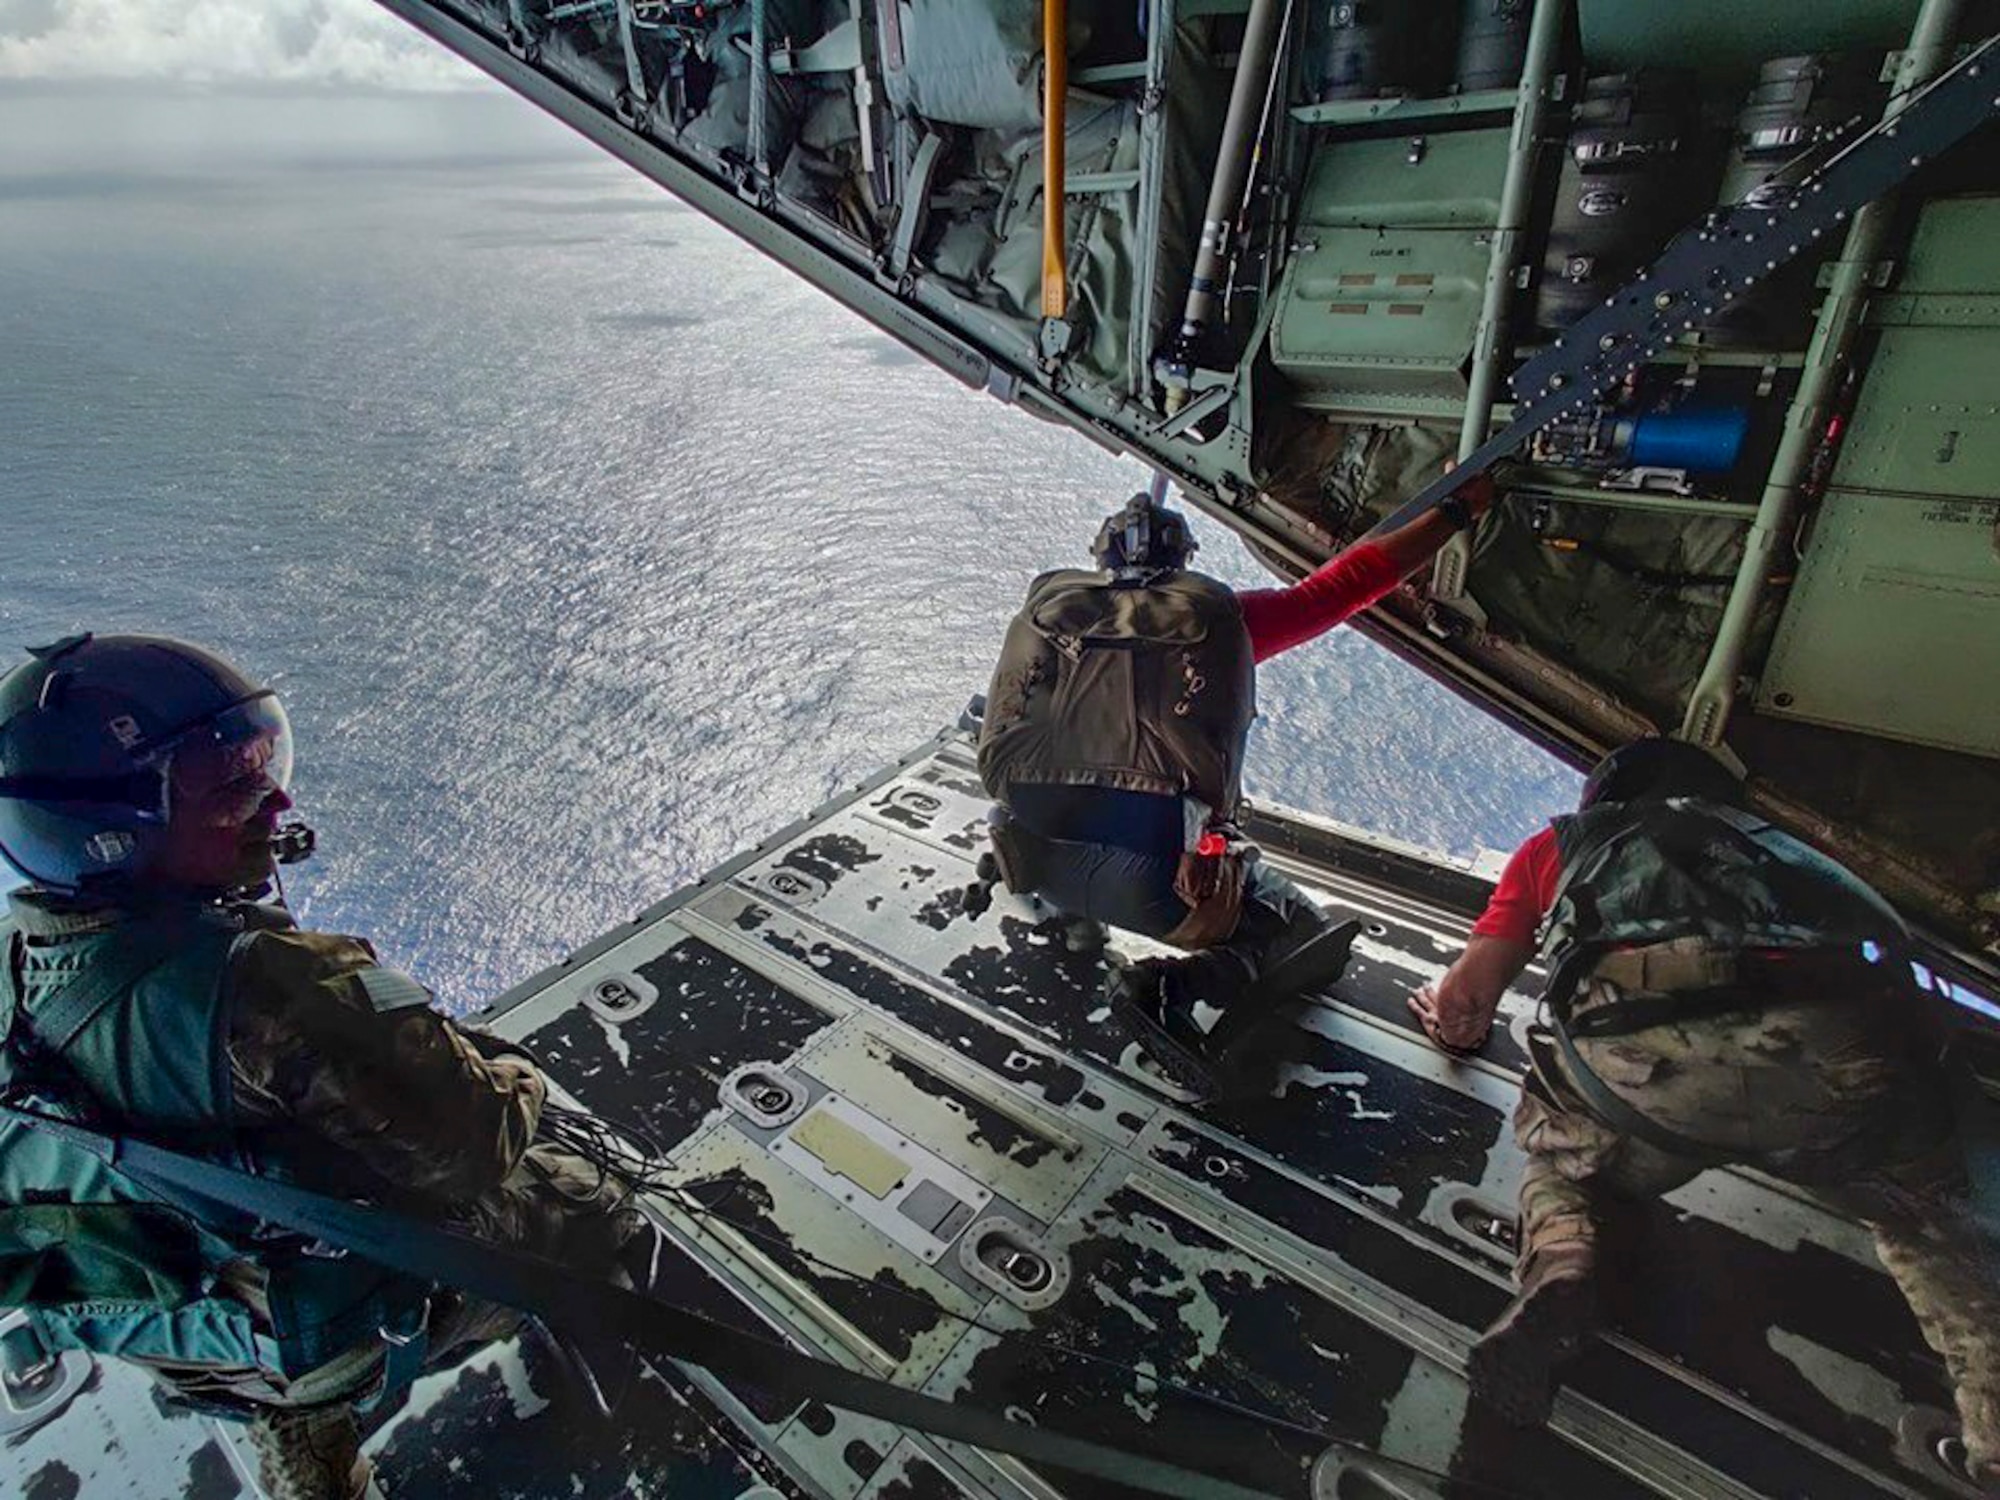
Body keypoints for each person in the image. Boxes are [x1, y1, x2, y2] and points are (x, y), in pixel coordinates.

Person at [0, 633, 647, 1500]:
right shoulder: (266, 992)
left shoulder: (18, 970)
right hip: (319, 1324)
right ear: (114, 834)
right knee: (592, 1204)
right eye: (232, 785)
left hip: (181, 1335)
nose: (277, 799)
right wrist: (508, 1064)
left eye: (262, 762)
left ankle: (305, 1445)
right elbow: (475, 1143)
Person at [1408, 738, 1999, 1491]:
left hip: (1650, 1054)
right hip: (1845, 1050)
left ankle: (1562, 1265)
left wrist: (1448, 1020)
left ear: (1603, 798)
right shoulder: (1793, 855)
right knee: (1932, 1218)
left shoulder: (1562, 846)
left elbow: (1467, 1005)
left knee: (1563, 1159)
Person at [975, 476, 1493, 1084]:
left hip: (1044, 865)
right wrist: (1456, 509)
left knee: (1067, 806)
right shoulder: (1223, 626)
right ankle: (1166, 986)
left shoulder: (1048, 624)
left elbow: (1005, 731)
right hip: (1158, 890)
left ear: (1100, 560)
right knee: (1307, 934)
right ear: (1183, 563)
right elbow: (1348, 584)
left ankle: (1075, 923)